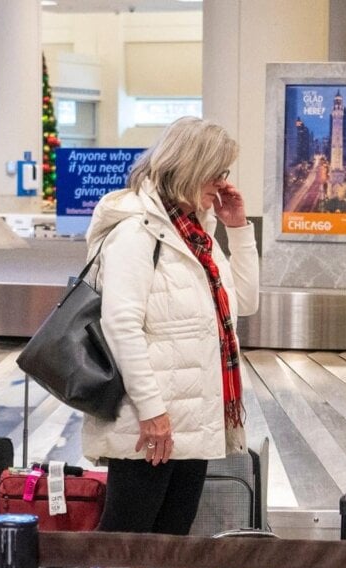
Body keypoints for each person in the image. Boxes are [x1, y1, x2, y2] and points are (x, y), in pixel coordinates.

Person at [85, 116, 258, 535]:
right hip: (150, 421)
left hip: (193, 415)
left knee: (171, 542)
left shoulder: (198, 234)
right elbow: (121, 325)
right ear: (189, 167)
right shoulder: (135, 232)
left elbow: (246, 304)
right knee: (125, 544)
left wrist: (239, 228)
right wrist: (152, 412)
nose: (220, 183)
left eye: (225, 173)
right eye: (215, 172)